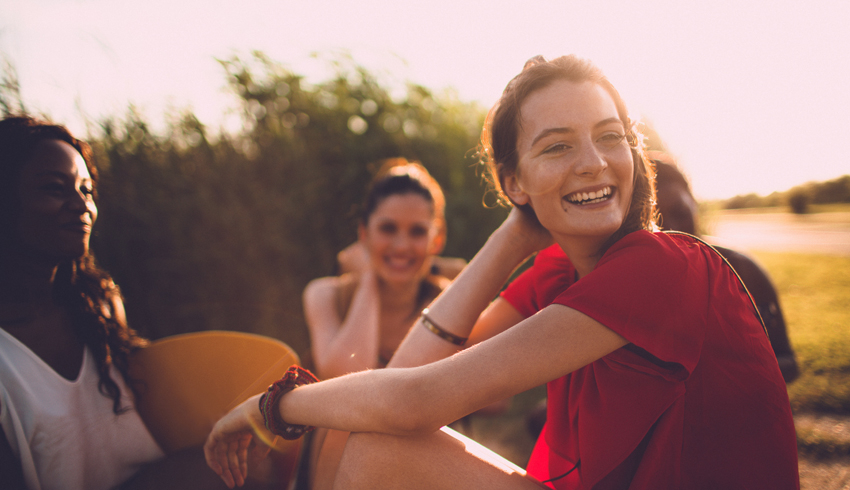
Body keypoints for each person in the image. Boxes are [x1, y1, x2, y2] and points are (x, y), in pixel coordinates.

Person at [205, 55, 799, 489]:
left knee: (378, 450)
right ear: (513, 183)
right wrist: (512, 235)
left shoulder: (664, 266)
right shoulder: (557, 273)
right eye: (558, 147)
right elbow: (409, 375)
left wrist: (269, 405)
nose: (593, 163)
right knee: (372, 447)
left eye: (610, 138)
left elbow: (415, 399)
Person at [0, 116, 261, 490]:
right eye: (54, 188)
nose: (81, 205)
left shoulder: (97, 304)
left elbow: (158, 403)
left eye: (86, 190)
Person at [301, 159, 470, 488]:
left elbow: (496, 401)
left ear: (437, 240)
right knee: (344, 415)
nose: (402, 246)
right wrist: (367, 281)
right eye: (388, 229)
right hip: (335, 455)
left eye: (418, 231)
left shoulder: (449, 301)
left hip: (420, 451)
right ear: (364, 233)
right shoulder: (324, 294)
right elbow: (344, 376)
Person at [652, 154, 799, 382]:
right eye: (656, 223)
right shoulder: (635, 288)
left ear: (695, 205)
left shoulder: (742, 269)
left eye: (680, 214)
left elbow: (788, 362)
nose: (673, 231)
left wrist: (731, 373)